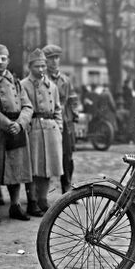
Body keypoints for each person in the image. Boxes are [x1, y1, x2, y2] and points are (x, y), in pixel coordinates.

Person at [0, 44, 33, 221]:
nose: (0, 62)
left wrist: (20, 123)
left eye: (3, 58)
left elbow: (27, 105)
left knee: (16, 168)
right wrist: (8, 124)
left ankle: (15, 205)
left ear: (8, 60)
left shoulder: (14, 80)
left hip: (17, 130)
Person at [21, 49, 63, 216]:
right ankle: (32, 202)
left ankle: (43, 200)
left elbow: (58, 109)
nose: (41, 69)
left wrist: (59, 127)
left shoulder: (52, 86)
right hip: (34, 127)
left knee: (48, 167)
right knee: (33, 167)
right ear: (30, 66)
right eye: (37, 66)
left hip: (51, 129)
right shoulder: (23, 84)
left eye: (43, 66)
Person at [42, 44, 78, 194]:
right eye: (51, 59)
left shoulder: (66, 80)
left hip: (66, 120)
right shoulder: (43, 78)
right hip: (49, 120)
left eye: (57, 58)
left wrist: (74, 116)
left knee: (67, 156)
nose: (54, 61)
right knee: (48, 153)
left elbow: (72, 99)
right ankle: (44, 190)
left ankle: (67, 185)